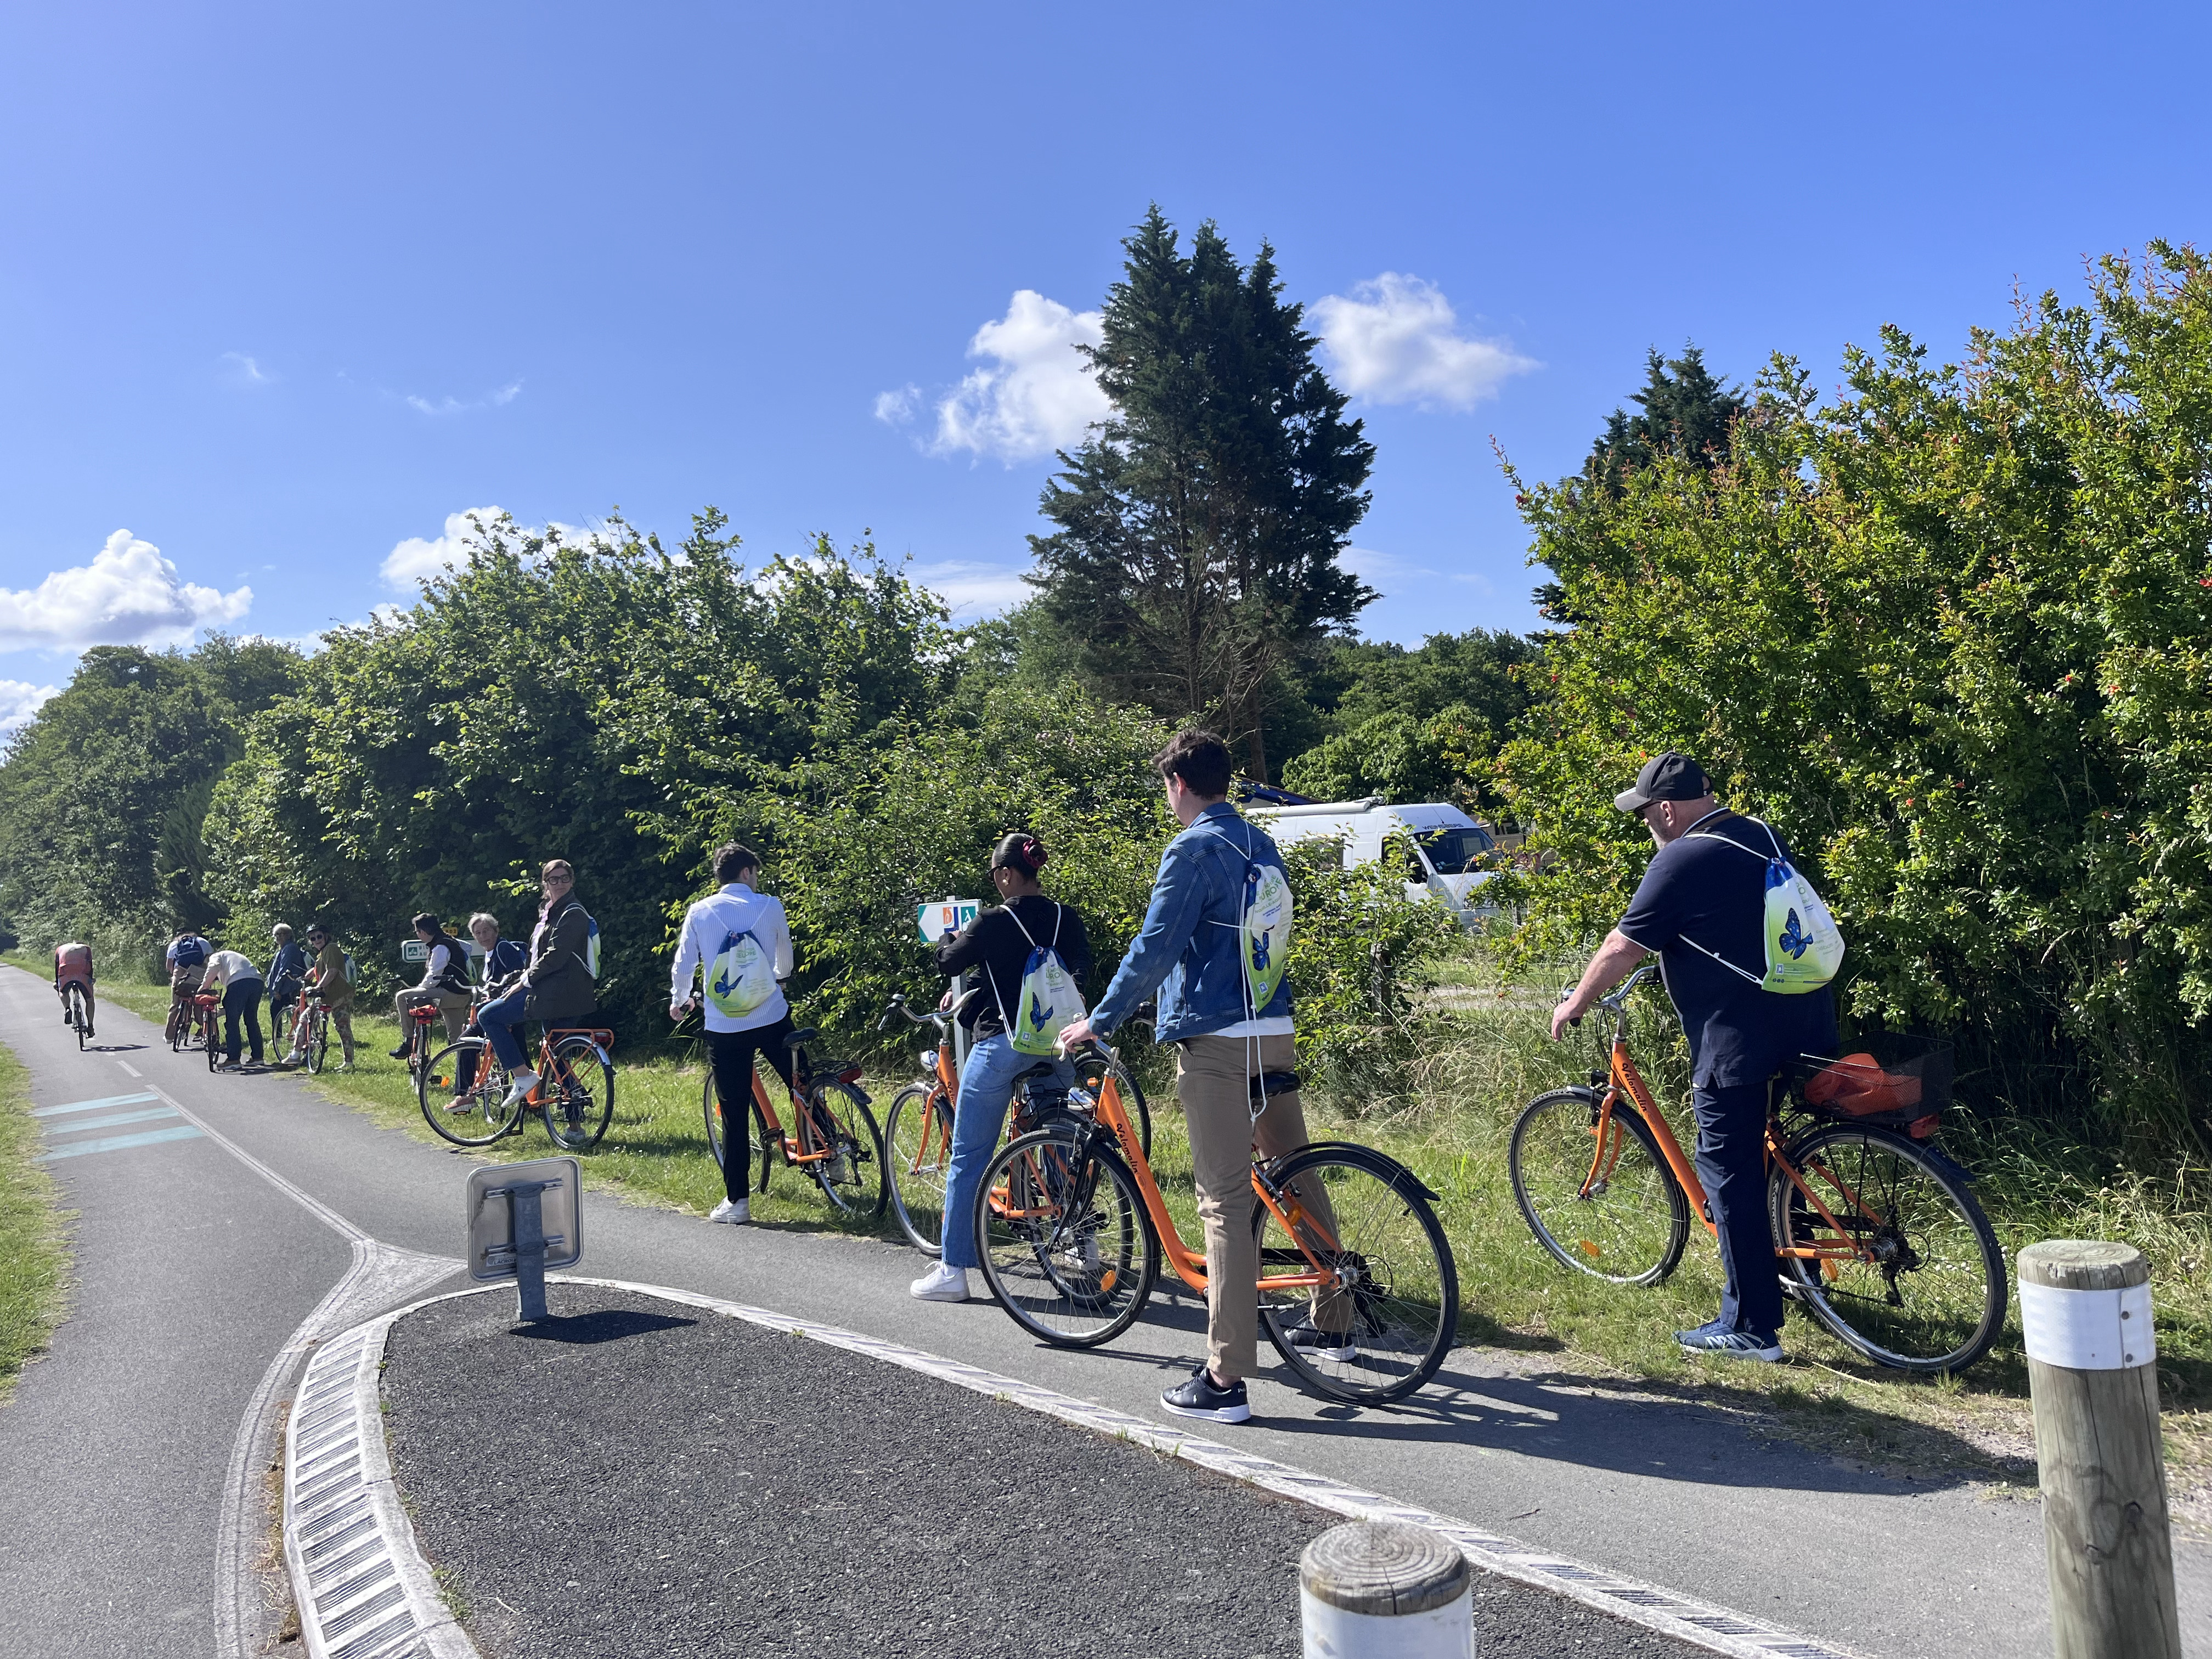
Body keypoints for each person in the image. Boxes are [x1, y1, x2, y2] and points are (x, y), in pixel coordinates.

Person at [1056, 730, 1336, 1426]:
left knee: (1222, 1201)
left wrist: (1103, 1017)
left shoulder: (1193, 848)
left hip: (1216, 1040)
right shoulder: (1259, 843)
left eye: (1166, 788)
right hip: (1272, 1027)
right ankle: (1337, 1318)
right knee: (1294, 1169)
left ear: (1179, 783)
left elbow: (1158, 943)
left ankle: (1226, 1377)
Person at [1550, 751, 1839, 1364]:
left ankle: (1751, 1325)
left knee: (1726, 1169)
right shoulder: (1758, 832)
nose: (1647, 827)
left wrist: (1575, 1002)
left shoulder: (1680, 857)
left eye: (1646, 815)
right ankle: (1799, 1272)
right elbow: (1734, 923)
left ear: (1666, 809)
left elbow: (1621, 945)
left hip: (1737, 1039)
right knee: (1777, 1154)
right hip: (1807, 1017)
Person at [909, 831, 1091, 1302]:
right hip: (1056, 1044)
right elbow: (1072, 970)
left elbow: (948, 957)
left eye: (996, 876)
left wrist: (951, 936)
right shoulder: (1064, 918)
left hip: (1003, 1047)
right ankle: (1086, 1242)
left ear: (1008, 874)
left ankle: (953, 1271)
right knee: (1059, 1143)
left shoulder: (993, 921)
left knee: (969, 1157)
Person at [669, 843, 796, 1226]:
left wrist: (679, 1001)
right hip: (772, 1015)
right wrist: (776, 981)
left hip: (725, 1026)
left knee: (735, 1111)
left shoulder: (700, 911)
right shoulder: (770, 905)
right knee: (802, 1082)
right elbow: (785, 959)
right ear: (746, 872)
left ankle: (738, 1202)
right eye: (755, 873)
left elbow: (683, 963)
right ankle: (832, 1153)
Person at [479, 860, 596, 1110]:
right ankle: (575, 1125)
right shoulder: (552, 912)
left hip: (556, 993)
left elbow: (555, 955)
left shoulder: (572, 912)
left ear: (572, 881)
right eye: (554, 879)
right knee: (559, 1057)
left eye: (565, 878)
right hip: (562, 991)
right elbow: (538, 955)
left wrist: (524, 981)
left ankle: (523, 1076)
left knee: (488, 1015)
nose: (560, 883)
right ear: (545, 884)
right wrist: (523, 975)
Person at [388, 913, 474, 1058]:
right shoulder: (450, 941)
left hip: (449, 994)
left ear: (422, 932)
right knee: (458, 1040)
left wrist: (419, 989)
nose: (417, 935)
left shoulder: (440, 947)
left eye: (417, 932)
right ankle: (465, 1074)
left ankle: (408, 1042)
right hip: (462, 994)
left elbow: (434, 975)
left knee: (401, 997)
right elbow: (469, 947)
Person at [277, 923, 355, 1071]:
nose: (316, 940)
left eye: (319, 936)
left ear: (326, 936)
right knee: (338, 1025)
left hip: (339, 995)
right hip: (330, 995)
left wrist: (318, 987)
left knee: (311, 1019)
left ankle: (296, 1054)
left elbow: (332, 971)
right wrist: (306, 976)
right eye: (313, 939)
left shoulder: (331, 949)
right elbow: (318, 968)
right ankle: (348, 1063)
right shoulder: (323, 952)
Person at [200, 947, 266, 1068]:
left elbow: (213, 968)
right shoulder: (232, 956)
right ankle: (258, 1057)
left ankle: (234, 1059)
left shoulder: (216, 957)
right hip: (257, 981)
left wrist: (203, 987)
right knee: (251, 1019)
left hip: (239, 982)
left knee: (232, 1021)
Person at [164, 929, 214, 1043]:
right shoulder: (202, 942)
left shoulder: (174, 945)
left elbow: (169, 966)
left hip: (180, 974)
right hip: (199, 974)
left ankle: (169, 1037)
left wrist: (175, 977)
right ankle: (207, 1031)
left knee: (175, 1004)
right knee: (200, 1003)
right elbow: (212, 960)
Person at [266, 924, 309, 1046]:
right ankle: (297, 1036)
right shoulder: (284, 948)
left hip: (288, 988)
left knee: (278, 1010)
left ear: (289, 935)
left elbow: (284, 969)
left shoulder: (290, 949)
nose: (278, 937)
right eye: (276, 935)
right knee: (294, 1013)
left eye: (281, 934)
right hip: (287, 988)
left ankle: (278, 1038)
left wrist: (276, 989)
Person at [53, 940, 94, 1039]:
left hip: (65, 973)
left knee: (63, 992)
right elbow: (90, 965)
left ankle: (67, 1008)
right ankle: (91, 1027)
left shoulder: (60, 949)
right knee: (90, 1000)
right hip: (82, 974)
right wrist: (91, 979)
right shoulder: (86, 948)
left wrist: (57, 982)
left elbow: (57, 967)